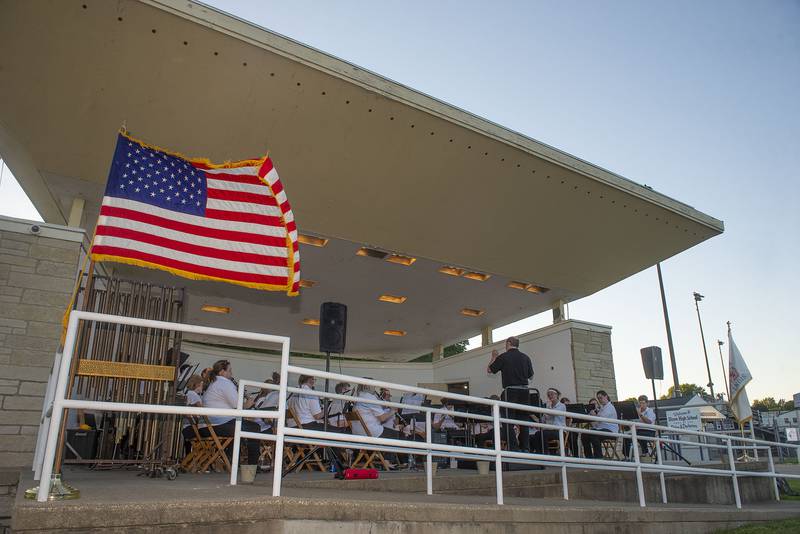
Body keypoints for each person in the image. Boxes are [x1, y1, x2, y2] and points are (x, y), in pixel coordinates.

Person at [201, 360, 261, 465]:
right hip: (217, 425)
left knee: (240, 426)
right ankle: (252, 466)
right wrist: (249, 403)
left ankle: (234, 463)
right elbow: (238, 406)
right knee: (254, 427)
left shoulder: (214, 383)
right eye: (229, 371)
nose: (231, 373)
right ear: (221, 372)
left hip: (207, 426)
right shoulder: (224, 383)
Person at [487, 336, 534, 451]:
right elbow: (531, 376)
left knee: (508, 421)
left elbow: (490, 370)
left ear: (508, 343)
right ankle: (526, 448)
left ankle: (514, 448)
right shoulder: (525, 357)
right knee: (523, 421)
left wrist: (494, 357)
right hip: (524, 391)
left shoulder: (504, 357)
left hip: (510, 391)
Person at [581, 390, 618, 459]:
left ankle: (598, 457)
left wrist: (594, 415)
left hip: (611, 431)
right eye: (598, 398)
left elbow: (601, 418)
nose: (600, 400)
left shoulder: (610, 407)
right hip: (601, 430)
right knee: (584, 434)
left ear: (606, 396)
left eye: (601, 398)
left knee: (594, 435)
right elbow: (596, 425)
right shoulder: (602, 408)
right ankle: (589, 457)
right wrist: (591, 417)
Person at [530, 388, 567, 454]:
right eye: (549, 395)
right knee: (536, 434)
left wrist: (546, 409)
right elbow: (542, 420)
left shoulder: (562, 406)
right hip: (549, 430)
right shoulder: (548, 407)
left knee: (543, 434)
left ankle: (545, 453)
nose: (550, 396)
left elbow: (554, 413)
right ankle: (540, 453)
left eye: (552, 394)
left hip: (559, 430)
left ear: (557, 395)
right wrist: (533, 417)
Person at [623, 395, 657, 459]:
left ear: (647, 403)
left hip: (649, 431)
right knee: (626, 437)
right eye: (640, 403)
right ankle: (627, 456)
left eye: (643, 403)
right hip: (637, 430)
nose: (642, 405)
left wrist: (640, 414)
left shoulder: (650, 411)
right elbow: (633, 421)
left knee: (640, 435)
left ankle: (645, 453)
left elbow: (649, 421)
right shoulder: (637, 411)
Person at [181, 374, 204, 455]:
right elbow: (202, 409)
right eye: (202, 385)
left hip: (187, 426)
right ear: (197, 385)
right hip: (192, 427)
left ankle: (188, 457)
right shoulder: (194, 395)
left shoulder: (188, 393)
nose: (202, 387)